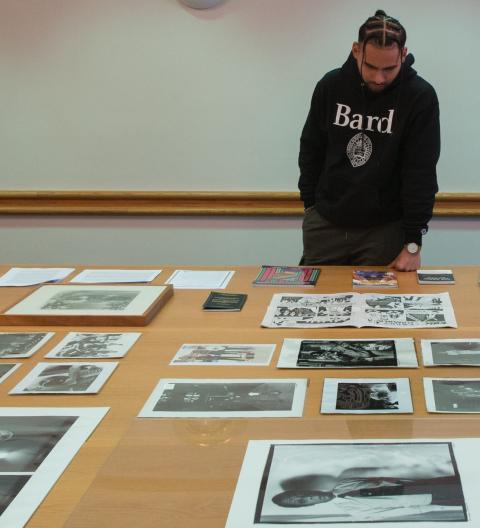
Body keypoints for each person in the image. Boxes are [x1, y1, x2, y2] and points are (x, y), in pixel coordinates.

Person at [298, 10, 440, 271]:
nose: (379, 78)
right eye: (371, 67)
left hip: (384, 230)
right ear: (356, 51)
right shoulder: (330, 86)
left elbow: (420, 172)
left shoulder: (420, 97)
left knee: (378, 308)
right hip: (325, 224)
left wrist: (413, 242)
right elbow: (311, 148)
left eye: (390, 69)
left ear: (403, 55)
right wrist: (310, 205)